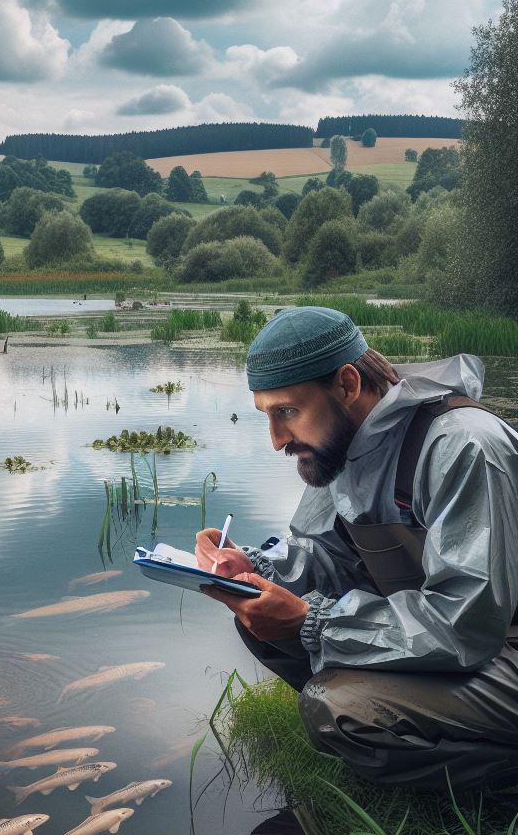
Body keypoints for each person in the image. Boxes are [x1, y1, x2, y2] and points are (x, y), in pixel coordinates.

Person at [196, 306, 518, 791]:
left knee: (339, 708)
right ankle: (409, 735)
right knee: (258, 617)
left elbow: (465, 627)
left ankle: (497, 783)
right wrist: (253, 568)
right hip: (472, 640)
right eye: (268, 415)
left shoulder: (464, 447)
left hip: (494, 640)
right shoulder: (342, 443)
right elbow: (331, 556)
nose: (276, 440)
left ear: (347, 385)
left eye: (287, 412)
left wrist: (312, 622)